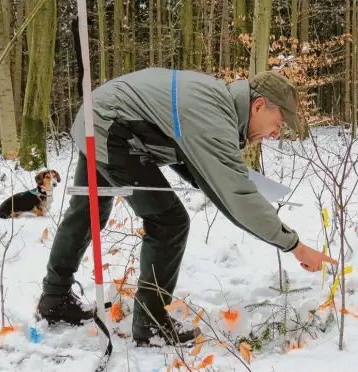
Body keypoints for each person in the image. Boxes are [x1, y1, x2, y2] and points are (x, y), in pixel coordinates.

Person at [35, 67, 338, 347]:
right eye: (279, 123)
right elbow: (237, 197)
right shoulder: (214, 116)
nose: (276, 134)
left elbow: (178, 144)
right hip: (111, 127)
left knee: (87, 211)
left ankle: (54, 298)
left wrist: (208, 177)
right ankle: (151, 324)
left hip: (100, 116)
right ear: (259, 106)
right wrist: (295, 246)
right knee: (169, 221)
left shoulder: (214, 102)